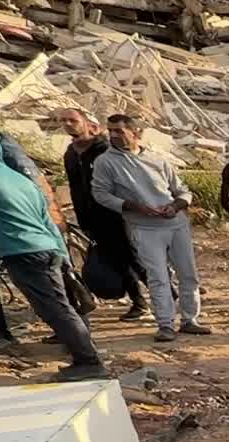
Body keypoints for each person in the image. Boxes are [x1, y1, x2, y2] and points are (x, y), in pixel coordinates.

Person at [0, 130, 104, 379]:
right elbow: (46, 219)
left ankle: (89, 362)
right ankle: (86, 358)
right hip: (47, 248)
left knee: (55, 310)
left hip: (23, 252)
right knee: (60, 306)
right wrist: (63, 257)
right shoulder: (18, 179)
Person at [91, 114, 208, 342]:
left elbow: (182, 191)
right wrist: (133, 206)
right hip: (144, 228)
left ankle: (190, 319)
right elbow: (100, 194)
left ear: (135, 132)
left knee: (188, 275)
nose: (113, 135)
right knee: (158, 277)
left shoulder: (157, 159)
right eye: (110, 130)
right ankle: (165, 324)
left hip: (175, 224)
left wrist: (175, 206)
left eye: (119, 131)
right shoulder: (106, 162)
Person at [57, 108, 146, 322]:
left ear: (90, 125)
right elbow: (75, 188)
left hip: (116, 214)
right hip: (91, 219)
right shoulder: (71, 154)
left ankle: (168, 295)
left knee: (134, 258)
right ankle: (140, 302)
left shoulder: (105, 151)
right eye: (64, 120)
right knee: (117, 260)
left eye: (73, 120)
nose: (68, 124)